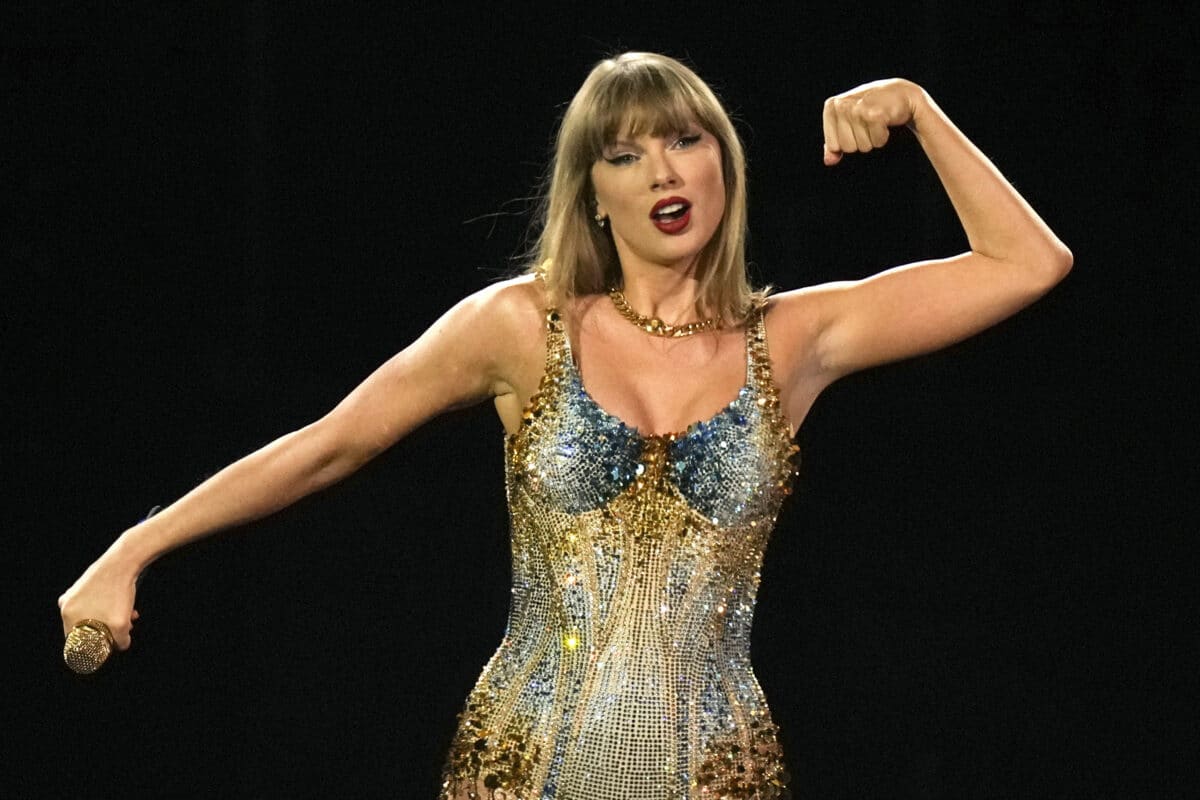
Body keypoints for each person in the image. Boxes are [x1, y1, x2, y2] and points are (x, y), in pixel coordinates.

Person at [58, 52, 1071, 798]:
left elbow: (1030, 263)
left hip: (717, 774)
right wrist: (132, 547)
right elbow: (331, 441)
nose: (663, 172)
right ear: (592, 193)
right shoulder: (521, 326)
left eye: (685, 139)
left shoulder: (795, 336)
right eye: (625, 155)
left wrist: (920, 110)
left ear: (726, 161)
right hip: (523, 765)